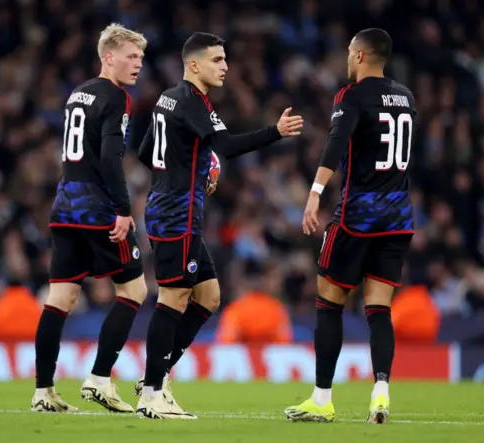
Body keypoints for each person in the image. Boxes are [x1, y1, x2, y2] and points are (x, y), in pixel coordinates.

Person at [134, 32, 303, 419]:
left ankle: (155, 379)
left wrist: (179, 174)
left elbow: (146, 152)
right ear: (194, 64)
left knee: (208, 297)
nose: (226, 66)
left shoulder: (168, 98)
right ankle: (152, 392)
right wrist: (274, 132)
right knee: (173, 298)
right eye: (218, 60)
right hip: (176, 211)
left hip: (172, 206)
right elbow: (225, 147)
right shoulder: (192, 101)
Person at [284, 28, 416, 424]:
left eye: (348, 51)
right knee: (379, 307)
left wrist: (314, 192)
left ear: (360, 55)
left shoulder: (352, 95)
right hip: (399, 217)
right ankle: (380, 392)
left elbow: (336, 141)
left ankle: (322, 398)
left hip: (358, 216)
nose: (345, 57)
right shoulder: (406, 97)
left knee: (328, 301)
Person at [31, 24, 148, 413]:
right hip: (97, 207)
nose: (137, 65)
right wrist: (123, 209)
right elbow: (111, 156)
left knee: (60, 297)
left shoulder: (77, 94)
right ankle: (99, 378)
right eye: (131, 56)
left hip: (65, 205)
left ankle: (43, 392)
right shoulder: (117, 97)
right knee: (134, 292)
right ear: (108, 57)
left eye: (141, 58)